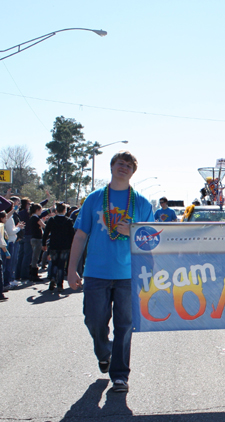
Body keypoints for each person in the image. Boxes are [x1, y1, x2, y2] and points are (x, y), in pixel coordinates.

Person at [68, 151, 153, 393]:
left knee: (125, 325)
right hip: (96, 272)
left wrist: (132, 233)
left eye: (128, 165)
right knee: (94, 321)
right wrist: (72, 269)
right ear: (112, 167)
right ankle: (104, 351)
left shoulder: (142, 203)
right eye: (119, 163)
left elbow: (150, 241)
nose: (123, 168)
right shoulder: (94, 199)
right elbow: (81, 234)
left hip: (128, 274)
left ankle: (120, 375)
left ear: (133, 171)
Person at [42, 202, 75, 292]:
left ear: (56, 210)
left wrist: (44, 243)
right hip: (65, 246)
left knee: (54, 263)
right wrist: (73, 245)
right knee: (61, 265)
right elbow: (72, 235)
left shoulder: (51, 220)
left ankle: (53, 277)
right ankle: (60, 284)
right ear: (65, 210)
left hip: (53, 245)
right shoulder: (68, 221)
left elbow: (46, 233)